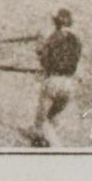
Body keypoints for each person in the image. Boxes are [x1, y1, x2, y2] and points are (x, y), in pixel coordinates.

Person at [32, 8, 82, 147]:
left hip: (53, 82)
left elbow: (44, 59)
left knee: (42, 119)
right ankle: (46, 137)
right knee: (52, 117)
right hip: (70, 85)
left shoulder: (54, 37)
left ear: (56, 23)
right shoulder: (77, 41)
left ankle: (51, 146)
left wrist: (40, 48)